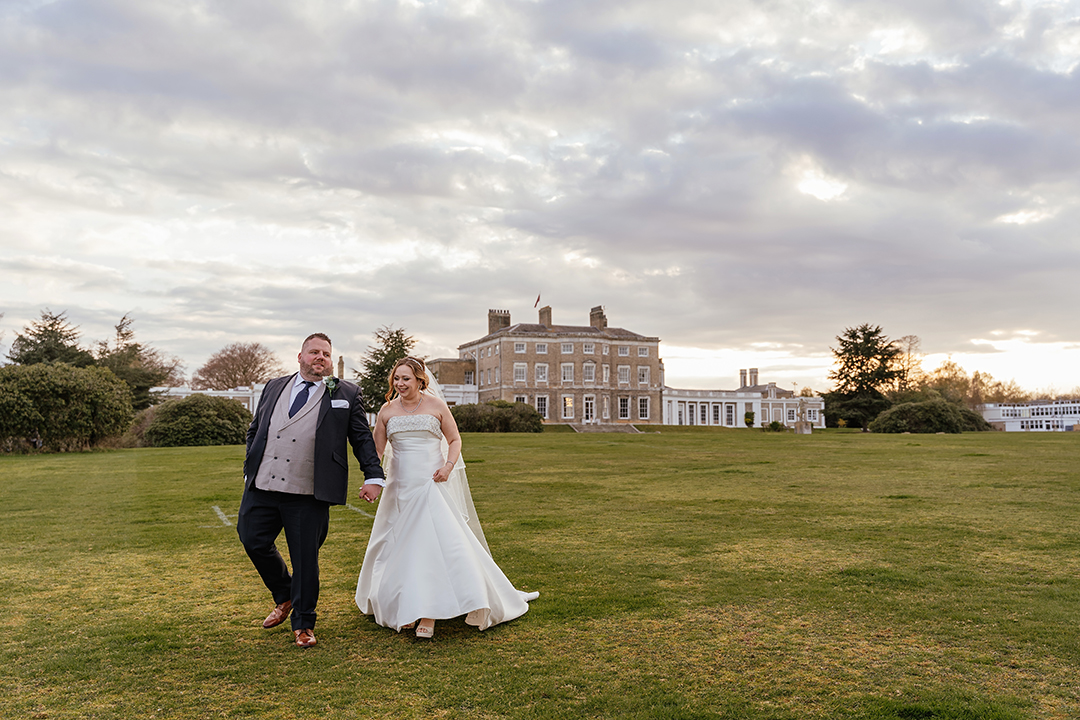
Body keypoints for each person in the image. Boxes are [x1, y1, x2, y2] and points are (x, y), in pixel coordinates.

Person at [355, 356, 538, 638]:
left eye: (406, 378)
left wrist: (448, 466)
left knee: (429, 547)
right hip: (399, 489)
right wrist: (373, 481)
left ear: (420, 380)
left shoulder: (437, 406)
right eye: (396, 378)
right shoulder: (387, 410)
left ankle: (428, 613)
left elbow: (454, 440)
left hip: (430, 484)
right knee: (399, 547)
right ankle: (406, 604)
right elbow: (377, 452)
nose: (400, 383)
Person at [238, 333, 385, 648]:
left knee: (305, 558)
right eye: (314, 352)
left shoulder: (346, 392)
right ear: (300, 356)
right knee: (252, 539)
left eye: (326, 354)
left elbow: (361, 438)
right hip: (263, 484)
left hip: (308, 490)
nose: (321, 357)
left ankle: (303, 624)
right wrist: (250, 465)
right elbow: (256, 428)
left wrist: (373, 475)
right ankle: (284, 594)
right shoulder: (274, 386)